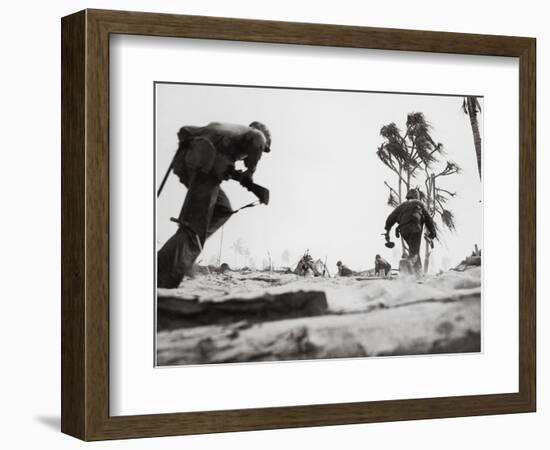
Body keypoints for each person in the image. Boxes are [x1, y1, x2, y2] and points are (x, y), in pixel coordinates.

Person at [157, 121, 271, 288]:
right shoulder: (255, 134)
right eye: (262, 150)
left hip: (193, 160)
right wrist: (251, 172)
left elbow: (222, 166)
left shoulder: (229, 135)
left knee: (222, 208)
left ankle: (182, 255)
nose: (258, 152)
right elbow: (257, 139)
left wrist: (249, 185)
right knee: (194, 227)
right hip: (203, 164)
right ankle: (163, 275)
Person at [384, 188, 436, 275]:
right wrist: (433, 233)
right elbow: (429, 220)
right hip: (415, 228)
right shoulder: (420, 204)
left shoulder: (403, 205)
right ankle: (408, 263)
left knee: (414, 251)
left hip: (403, 230)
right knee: (414, 253)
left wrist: (387, 231)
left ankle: (418, 274)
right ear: (417, 197)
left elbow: (390, 218)